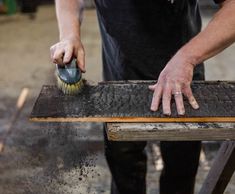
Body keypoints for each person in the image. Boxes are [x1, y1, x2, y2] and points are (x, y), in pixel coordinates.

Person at [50, 0, 235, 193]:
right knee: (124, 168)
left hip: (183, 78)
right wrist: (69, 33)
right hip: (120, 77)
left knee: (181, 167)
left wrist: (187, 58)